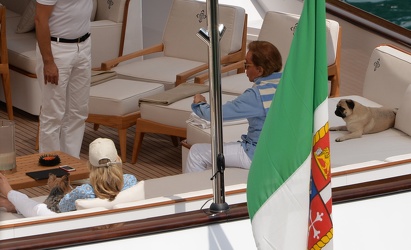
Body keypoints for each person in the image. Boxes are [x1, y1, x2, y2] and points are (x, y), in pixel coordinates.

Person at [184, 41, 283, 173]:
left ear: (260, 70)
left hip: (259, 155)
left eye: (247, 65)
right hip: (286, 154)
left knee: (196, 153)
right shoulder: (290, 86)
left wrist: (199, 103)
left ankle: (194, 193)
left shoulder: (256, 95)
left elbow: (214, 115)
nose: (245, 70)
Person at [0, 138, 137, 217]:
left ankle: (9, 193)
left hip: (72, 230)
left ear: (90, 166)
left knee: (38, 208)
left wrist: (64, 191)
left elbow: (59, 208)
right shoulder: (131, 181)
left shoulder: (84, 192)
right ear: (118, 159)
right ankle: (14, 204)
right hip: (115, 226)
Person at [35, 0, 92, 158]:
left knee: (78, 112)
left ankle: (71, 164)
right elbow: (40, 19)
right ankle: (51, 169)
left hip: (84, 46)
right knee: (53, 114)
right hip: (56, 50)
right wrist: (48, 61)